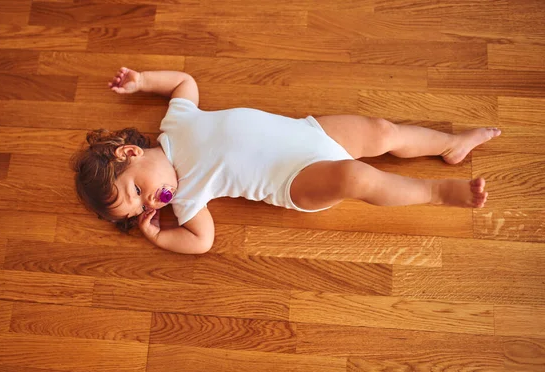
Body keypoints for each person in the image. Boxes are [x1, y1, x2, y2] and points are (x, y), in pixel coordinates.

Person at [72, 68, 501, 254]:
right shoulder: (187, 200)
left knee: (380, 131)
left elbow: (184, 82)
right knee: (355, 176)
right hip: (296, 179)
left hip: (309, 134)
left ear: (128, 153)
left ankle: (450, 145)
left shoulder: (177, 122)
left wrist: (144, 80)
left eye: (136, 192)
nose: (151, 204)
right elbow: (202, 242)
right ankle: (438, 192)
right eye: (140, 209)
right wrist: (158, 237)